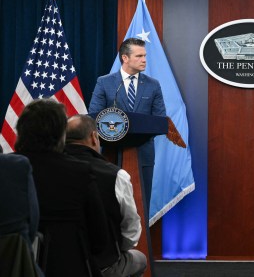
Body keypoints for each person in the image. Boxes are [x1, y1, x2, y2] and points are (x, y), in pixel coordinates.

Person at [15, 99, 109, 277]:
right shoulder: (80, 173)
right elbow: (100, 241)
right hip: (69, 266)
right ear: (61, 135)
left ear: (20, 130)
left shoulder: (7, 169)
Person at [88, 37, 166, 214]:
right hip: (111, 152)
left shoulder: (153, 85)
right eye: (139, 56)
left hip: (143, 153)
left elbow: (160, 120)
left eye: (145, 55)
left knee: (140, 206)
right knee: (109, 205)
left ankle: (140, 242)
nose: (144, 60)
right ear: (125, 58)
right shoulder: (105, 82)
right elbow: (94, 116)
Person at [65, 114, 146, 277]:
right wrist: (115, 251)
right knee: (140, 259)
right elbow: (131, 230)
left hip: (54, 264)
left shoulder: (48, 171)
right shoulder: (116, 175)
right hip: (102, 266)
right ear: (94, 137)